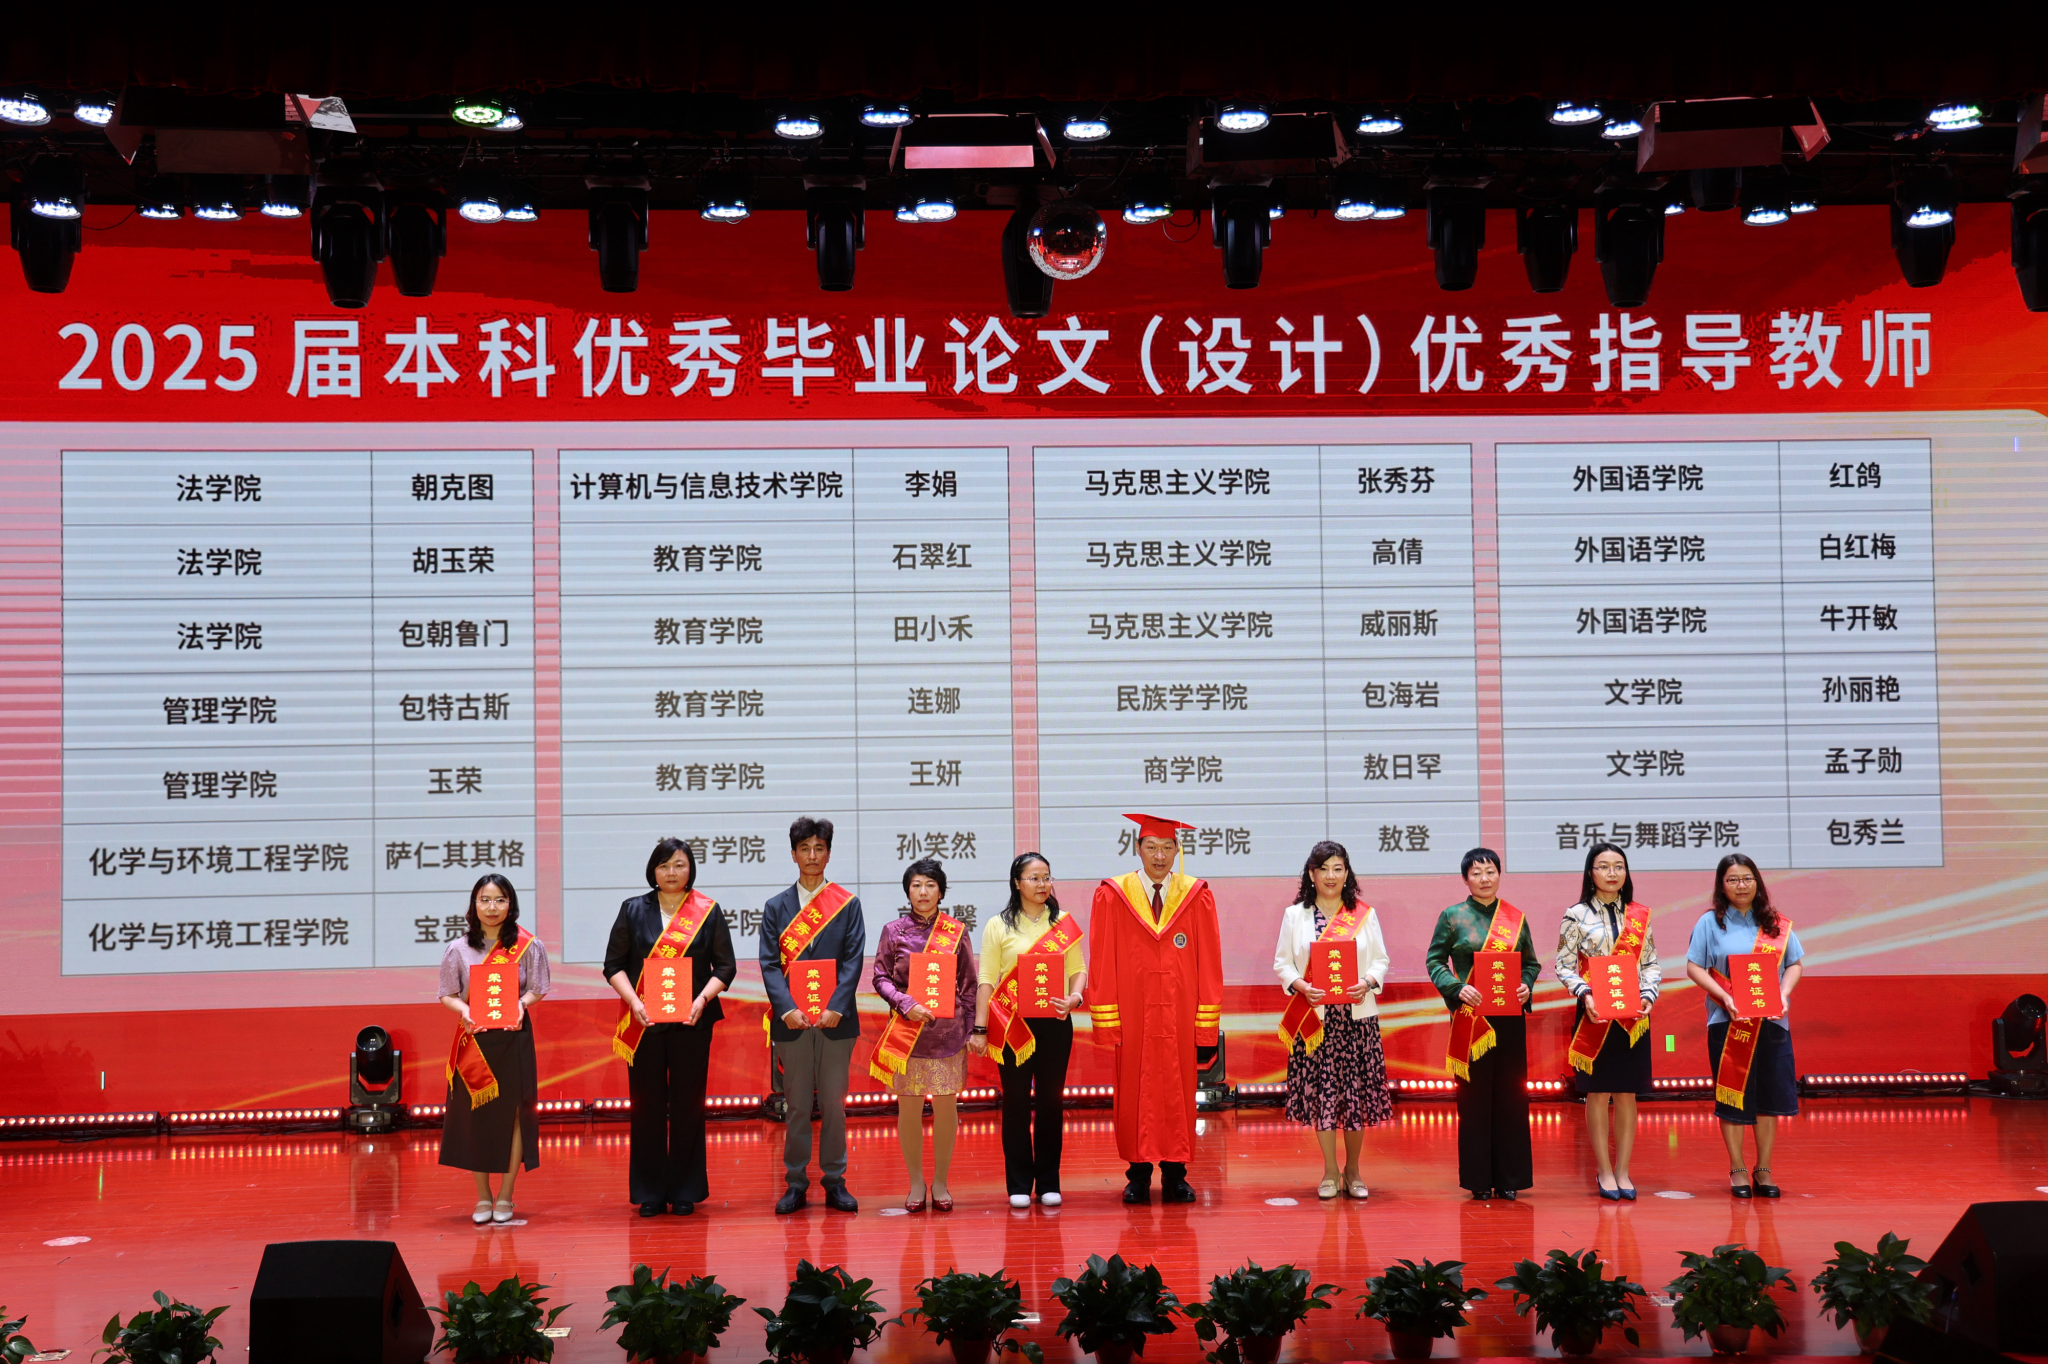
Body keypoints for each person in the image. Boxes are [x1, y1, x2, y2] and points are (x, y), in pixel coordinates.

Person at [1089, 813, 1223, 1204]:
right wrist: (1108, 1016)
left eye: (1167, 848)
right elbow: (1102, 958)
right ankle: (1138, 1176)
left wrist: (1205, 1019)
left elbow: (1209, 961)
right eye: (1151, 847)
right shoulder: (1113, 894)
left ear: (1177, 850)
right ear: (1138, 849)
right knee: (1135, 1092)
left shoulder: (1196, 895)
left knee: (1178, 1091)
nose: (1159, 856)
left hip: (1180, 1012)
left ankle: (1176, 1175)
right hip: (1134, 1013)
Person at [603, 836, 736, 1217]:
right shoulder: (633, 910)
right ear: (653, 871)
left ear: (690, 869)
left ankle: (685, 1189)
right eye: (664, 865)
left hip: (692, 1022)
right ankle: (649, 1191)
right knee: (646, 1106)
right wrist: (634, 1001)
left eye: (679, 864)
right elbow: (613, 966)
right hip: (644, 1022)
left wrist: (701, 1000)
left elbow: (725, 967)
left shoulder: (707, 911)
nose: (671, 872)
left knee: (687, 1106)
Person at [1272, 839, 1393, 1200]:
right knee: (1324, 1097)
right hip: (1316, 1021)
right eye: (1323, 868)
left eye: (1337, 868)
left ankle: (1353, 1171)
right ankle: (1329, 1171)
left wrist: (1367, 982)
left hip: (1356, 1020)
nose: (1330, 875)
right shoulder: (1295, 915)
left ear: (1347, 873)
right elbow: (1282, 963)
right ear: (1311, 874)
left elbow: (1381, 960)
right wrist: (1301, 986)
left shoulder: (1364, 914)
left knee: (1354, 1097)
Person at [759, 816, 866, 1214]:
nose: (812, 855)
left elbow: (853, 960)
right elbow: (770, 964)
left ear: (829, 854)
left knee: (834, 1105)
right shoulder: (776, 907)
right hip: (793, 1023)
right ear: (793, 854)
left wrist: (836, 1006)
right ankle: (796, 1182)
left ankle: (835, 1180)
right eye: (804, 848)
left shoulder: (847, 905)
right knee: (798, 1105)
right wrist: (786, 1009)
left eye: (819, 848)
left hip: (837, 1022)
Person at [1685, 853, 1805, 1199]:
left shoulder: (1775, 923)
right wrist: (1725, 997)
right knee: (1733, 1096)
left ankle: (1764, 1168)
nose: (1741, 885)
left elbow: (1795, 963)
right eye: (1733, 879)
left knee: (1769, 1097)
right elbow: (1694, 967)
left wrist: (1783, 994)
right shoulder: (1710, 923)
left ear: (1757, 881)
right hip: (1728, 1021)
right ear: (1722, 885)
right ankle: (1737, 1167)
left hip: (1771, 1023)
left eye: (1747, 878)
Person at [971, 852, 1088, 1209]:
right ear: (1017, 883)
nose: (1042, 884)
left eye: (1047, 877)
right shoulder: (998, 925)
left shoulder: (1062, 922)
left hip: (1055, 1023)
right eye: (1034, 878)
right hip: (1013, 1026)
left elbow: (1078, 969)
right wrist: (980, 1028)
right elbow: (987, 979)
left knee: (1052, 1102)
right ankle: (1019, 1183)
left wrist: (1075, 998)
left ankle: (1049, 1182)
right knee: (1016, 1103)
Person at [1425, 847, 1539, 1200]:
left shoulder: (1515, 918)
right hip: (1471, 1018)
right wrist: (1456, 988)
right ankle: (1478, 1179)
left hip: (1509, 1019)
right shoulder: (1453, 916)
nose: (1484, 878)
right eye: (1476, 873)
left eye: (1490, 871)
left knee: (1511, 1097)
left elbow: (1531, 964)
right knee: (1474, 1101)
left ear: (1499, 875)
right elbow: (1434, 961)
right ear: (1466, 879)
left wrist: (1526, 985)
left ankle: (1509, 1178)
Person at [437, 873, 550, 1225]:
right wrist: (465, 1010)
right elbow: (447, 994)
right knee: (477, 1117)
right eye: (485, 899)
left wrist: (522, 1004)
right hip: (475, 1039)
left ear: (510, 904)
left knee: (515, 1116)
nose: (492, 907)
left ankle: (506, 1195)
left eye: (500, 899)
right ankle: (483, 1196)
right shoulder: (458, 949)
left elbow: (538, 987)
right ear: (474, 905)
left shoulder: (529, 946)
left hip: (514, 1038)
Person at [869, 857, 977, 1212]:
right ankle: (916, 1182)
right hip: (907, 1033)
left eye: (930, 885)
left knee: (946, 1108)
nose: (923, 891)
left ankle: (941, 1182)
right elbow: (880, 977)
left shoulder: (956, 932)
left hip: (948, 1036)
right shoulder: (893, 931)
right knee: (909, 1109)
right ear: (908, 891)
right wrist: (906, 1003)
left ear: (941, 892)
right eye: (916, 885)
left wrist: (969, 1028)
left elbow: (968, 985)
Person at [1554, 841, 1660, 1201]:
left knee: (1627, 1094)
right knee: (1598, 1093)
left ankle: (1623, 1171)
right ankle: (1603, 1170)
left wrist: (1648, 996)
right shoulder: (1576, 914)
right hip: (1594, 1015)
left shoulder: (1639, 915)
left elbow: (1650, 963)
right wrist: (1585, 994)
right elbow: (1564, 965)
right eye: (1603, 866)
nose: (1612, 873)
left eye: (1619, 866)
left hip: (1633, 1017)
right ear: (1591, 873)